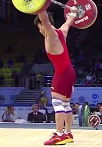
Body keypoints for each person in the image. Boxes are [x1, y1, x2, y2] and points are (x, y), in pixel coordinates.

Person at [34, 8, 78, 145]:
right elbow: (69, 21)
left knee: (57, 103)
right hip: (70, 72)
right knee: (65, 103)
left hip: (62, 72)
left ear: (42, 24)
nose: (39, 30)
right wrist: (74, 13)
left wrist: (40, 5)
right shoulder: (62, 32)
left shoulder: (51, 34)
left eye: (39, 27)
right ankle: (68, 133)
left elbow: (45, 18)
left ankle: (59, 135)